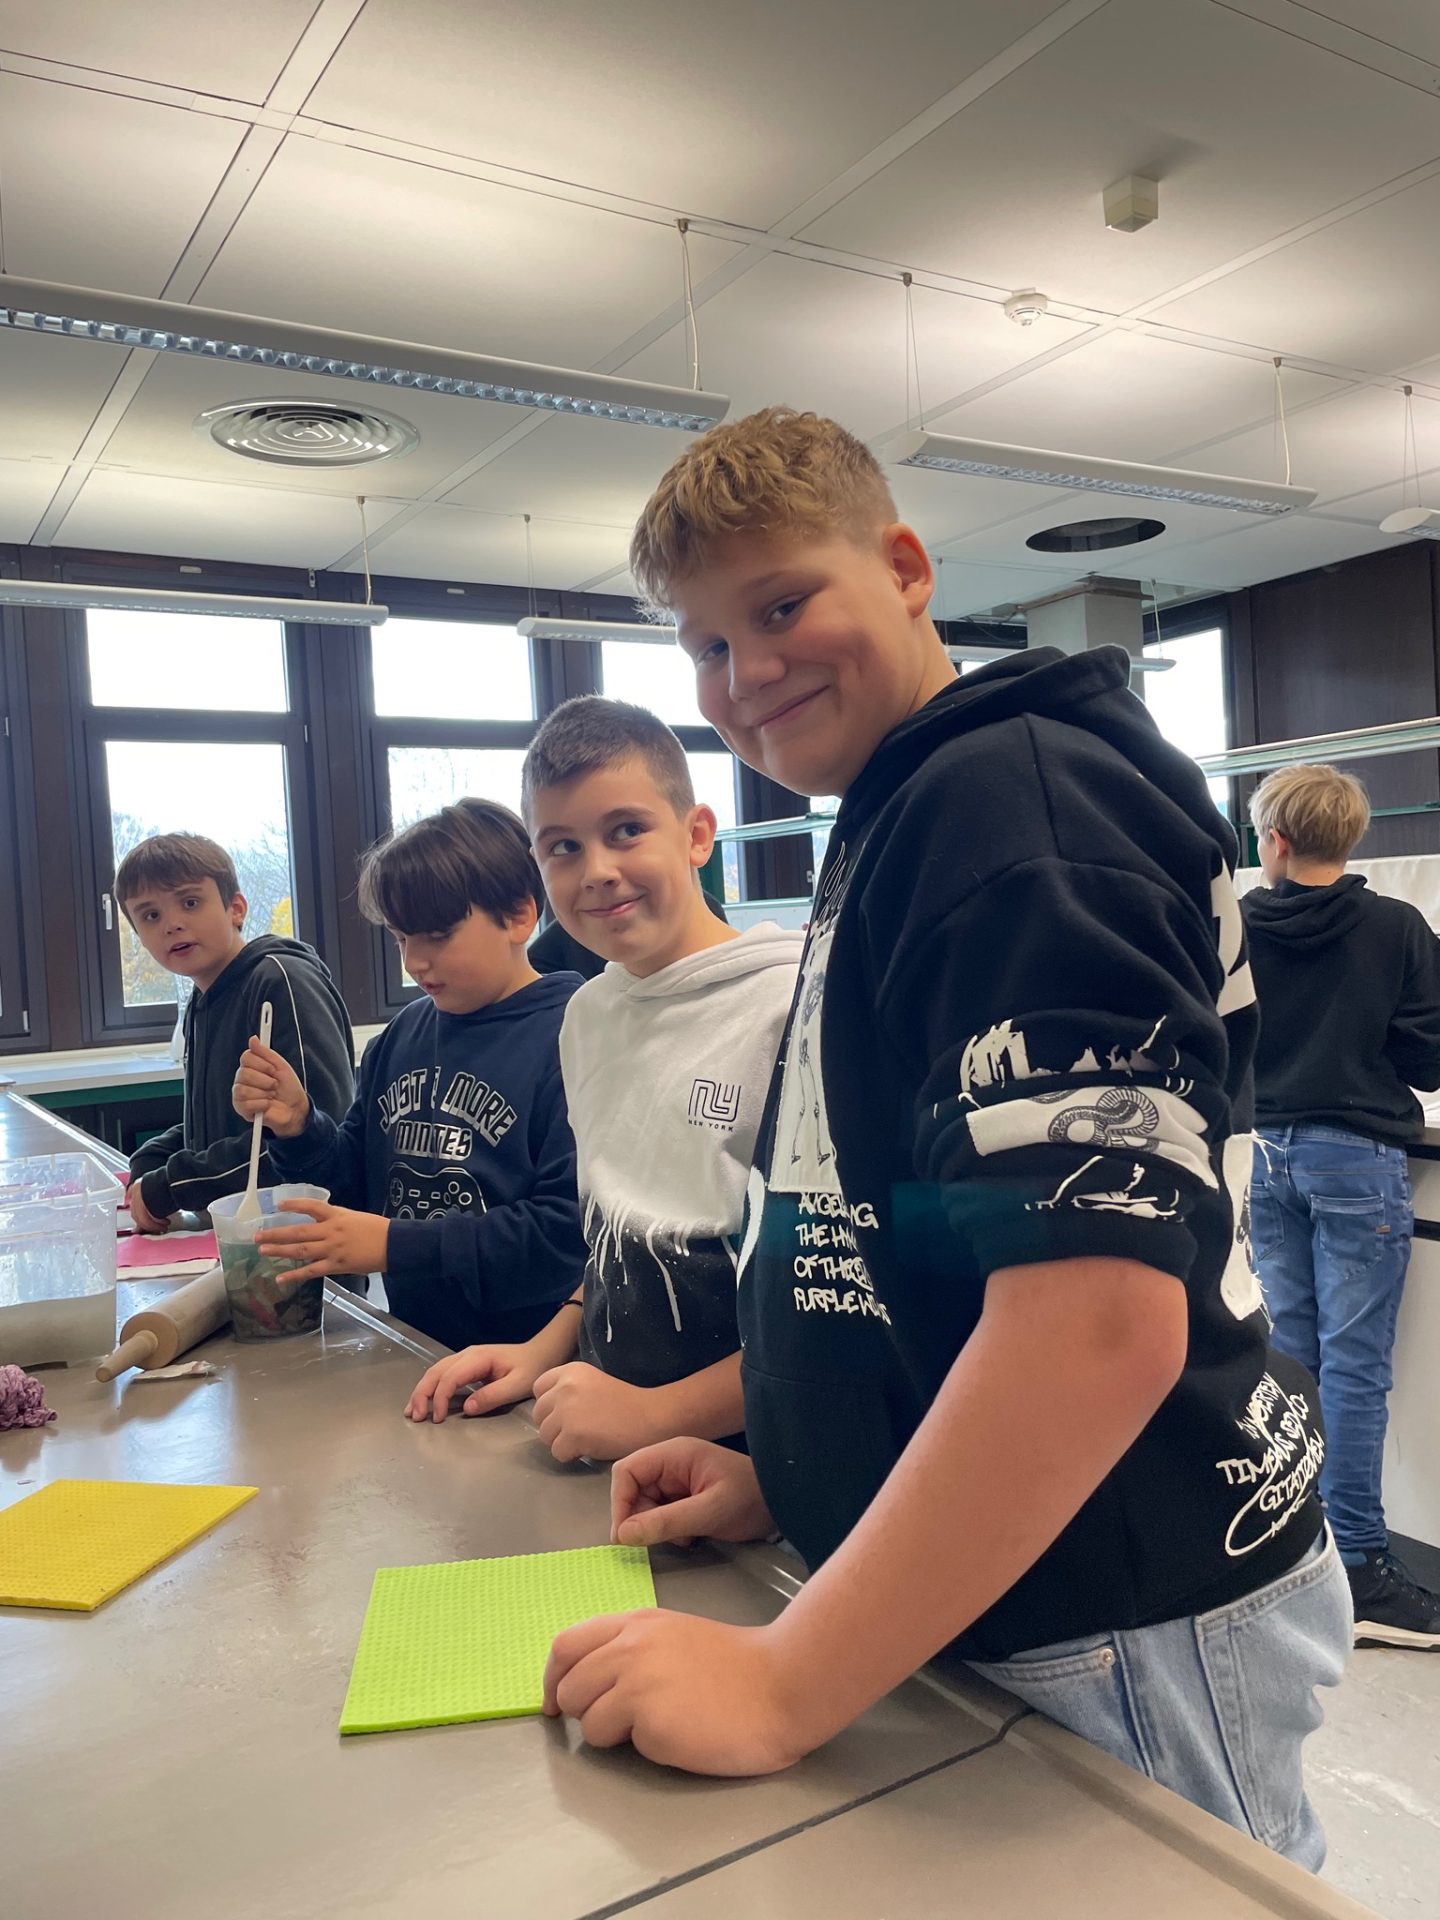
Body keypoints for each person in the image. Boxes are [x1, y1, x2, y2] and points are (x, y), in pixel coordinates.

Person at [540, 407, 1352, 1870]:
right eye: (708, 646)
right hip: (1013, 1578)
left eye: (780, 606)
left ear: (907, 569)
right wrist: (810, 1474)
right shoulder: (903, 812)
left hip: (1120, 1600)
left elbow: (1094, 1325)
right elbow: (925, 1240)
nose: (747, 675)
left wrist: (785, 1681)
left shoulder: (1010, 806)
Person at [406, 698, 802, 1460]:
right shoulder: (586, 1016)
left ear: (696, 835)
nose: (597, 872)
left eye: (626, 831)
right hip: (614, 1444)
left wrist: (656, 1415)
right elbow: (617, 1239)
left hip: (757, 1465)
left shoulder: (789, 1007)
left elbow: (829, 1308)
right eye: (562, 847)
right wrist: (542, 1350)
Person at [232, 799, 586, 1350]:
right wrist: (299, 1126)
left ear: (519, 915)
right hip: (417, 1348)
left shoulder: (577, 1036)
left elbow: (567, 1235)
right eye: (400, 938)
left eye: (438, 935)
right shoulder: (402, 1035)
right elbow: (353, 1189)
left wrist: (395, 1245)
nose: (414, 961)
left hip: (535, 1362)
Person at [1243, 763, 1440, 1650]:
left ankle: (1294, 1551)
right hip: (1357, 1161)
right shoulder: (1396, 928)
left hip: (1265, 1157)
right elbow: (1429, 1057)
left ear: (1276, 841)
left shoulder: (1238, 926)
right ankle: (1358, 1566)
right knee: (1356, 1368)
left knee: (1290, 1356)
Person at [119, 833, 354, 1231]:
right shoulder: (202, 1001)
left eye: (190, 903)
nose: (173, 924)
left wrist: (173, 1185)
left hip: (303, 1241)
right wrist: (155, 1159)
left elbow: (314, 1134)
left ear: (236, 908)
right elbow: (224, 1124)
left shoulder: (281, 980)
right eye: (151, 916)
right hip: (240, 1237)